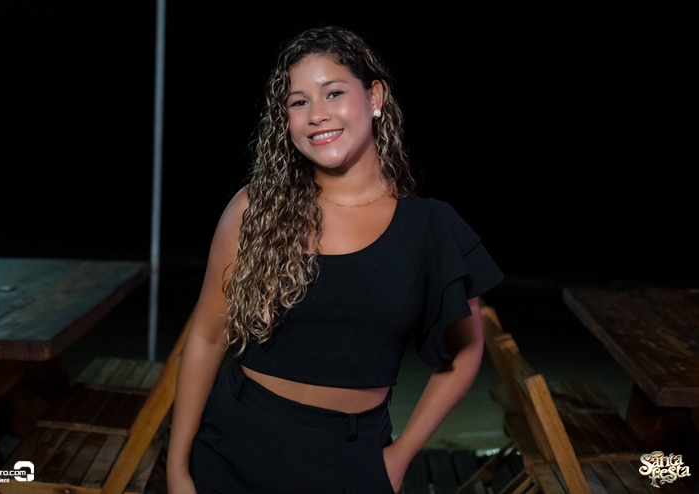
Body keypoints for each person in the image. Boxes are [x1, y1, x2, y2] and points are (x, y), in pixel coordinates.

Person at [167, 26, 503, 494]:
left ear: (374, 96)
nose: (316, 115)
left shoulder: (430, 227)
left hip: (350, 462)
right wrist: (178, 467)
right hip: (235, 445)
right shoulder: (255, 210)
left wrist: (400, 456)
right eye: (298, 101)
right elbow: (206, 337)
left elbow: (466, 351)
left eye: (334, 93)